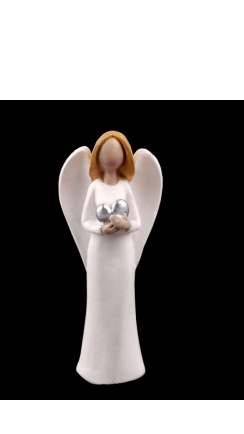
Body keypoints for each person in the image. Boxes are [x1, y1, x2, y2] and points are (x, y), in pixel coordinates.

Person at [76, 131, 145, 385]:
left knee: (122, 305)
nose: (111, 158)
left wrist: (126, 225)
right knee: (99, 305)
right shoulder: (94, 187)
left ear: (125, 156)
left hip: (123, 253)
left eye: (116, 153)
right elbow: (85, 219)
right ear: (98, 157)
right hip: (100, 254)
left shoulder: (126, 186)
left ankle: (127, 365)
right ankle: (94, 365)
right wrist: (101, 229)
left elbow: (138, 221)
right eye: (106, 153)